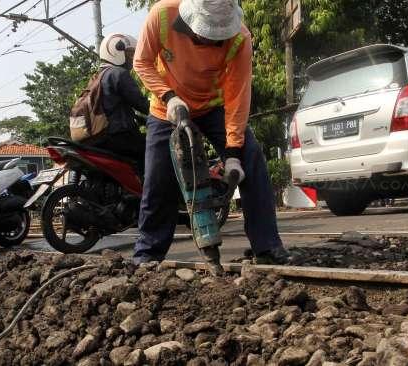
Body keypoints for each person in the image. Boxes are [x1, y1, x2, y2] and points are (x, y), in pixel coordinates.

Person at [132, 0, 290, 265]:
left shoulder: (240, 38)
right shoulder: (161, 16)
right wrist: (169, 97)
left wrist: (233, 153)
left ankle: (267, 247)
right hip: (165, 108)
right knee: (158, 180)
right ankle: (147, 254)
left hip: (212, 106)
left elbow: (237, 96)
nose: (209, 40)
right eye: (204, 33)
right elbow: (142, 62)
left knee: (252, 162)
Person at [85, 33, 150, 173]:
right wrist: (163, 113)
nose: (132, 58)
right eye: (129, 54)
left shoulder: (97, 76)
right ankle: (151, 192)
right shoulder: (118, 73)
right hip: (118, 136)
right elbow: (142, 104)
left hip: (97, 138)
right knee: (154, 148)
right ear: (116, 51)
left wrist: (139, 119)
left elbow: (115, 107)